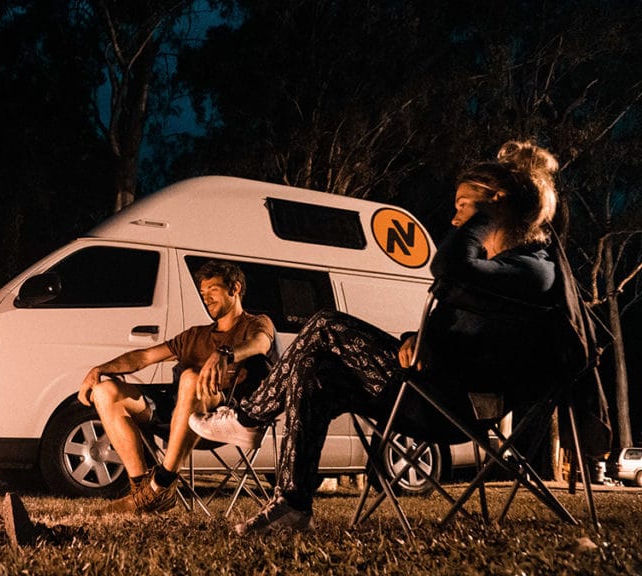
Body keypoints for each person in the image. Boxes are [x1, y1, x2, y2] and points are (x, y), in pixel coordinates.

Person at [189, 140, 565, 535]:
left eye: (463, 206)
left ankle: (248, 417)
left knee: (325, 324)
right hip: (428, 389)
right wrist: (415, 338)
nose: (455, 220)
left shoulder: (532, 269)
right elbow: (468, 334)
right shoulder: (502, 269)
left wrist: (485, 215)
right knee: (315, 373)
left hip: (453, 407)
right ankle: (291, 505)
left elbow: (448, 267)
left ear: (496, 205)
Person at [79, 260, 275, 514]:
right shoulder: (195, 335)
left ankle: (162, 483)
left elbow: (260, 344)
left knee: (190, 378)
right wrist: (99, 369)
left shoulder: (256, 323)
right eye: (203, 294)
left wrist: (226, 353)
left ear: (235, 288)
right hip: (176, 413)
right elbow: (144, 358)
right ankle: (143, 491)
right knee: (105, 392)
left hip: (222, 416)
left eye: (212, 290)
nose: (206, 299)